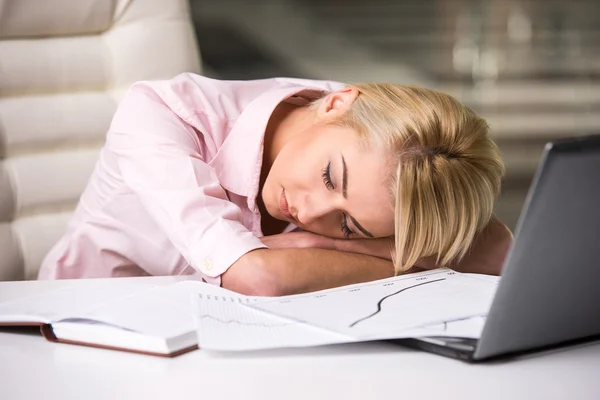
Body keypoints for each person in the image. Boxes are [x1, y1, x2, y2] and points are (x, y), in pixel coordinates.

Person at [38, 74, 513, 295]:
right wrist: (404, 262)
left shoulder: (372, 141)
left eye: (347, 225)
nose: (308, 213)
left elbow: (494, 250)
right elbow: (258, 278)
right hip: (84, 330)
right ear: (337, 103)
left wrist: (318, 251)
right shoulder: (160, 113)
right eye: (331, 177)